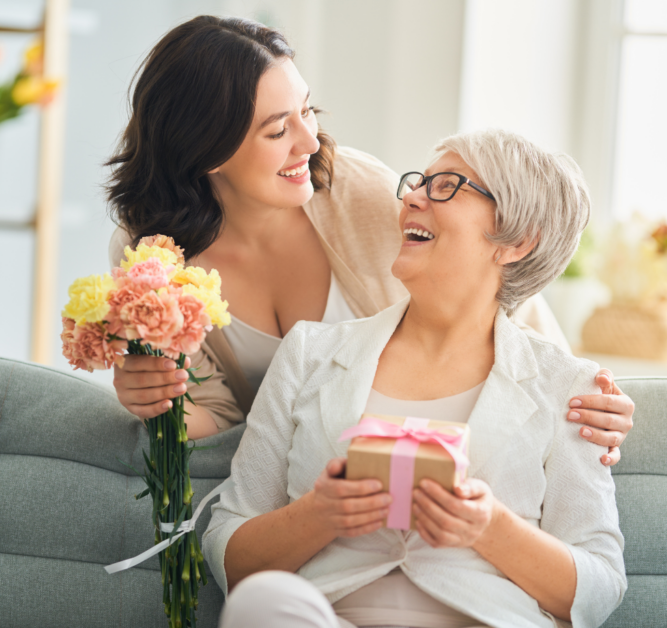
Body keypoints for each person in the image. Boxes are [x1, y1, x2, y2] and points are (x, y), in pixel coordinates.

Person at [105, 15, 634, 465]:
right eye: (276, 130)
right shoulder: (150, 259)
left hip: (432, 455)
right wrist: (156, 399)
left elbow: (495, 285)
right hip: (308, 479)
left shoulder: (357, 191)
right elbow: (221, 419)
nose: (309, 141)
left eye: (306, 111)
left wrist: (579, 399)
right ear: (207, 152)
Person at [203, 129, 626, 628]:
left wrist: (490, 528)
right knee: (263, 604)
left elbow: (600, 588)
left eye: (447, 186)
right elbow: (227, 549)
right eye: (417, 183)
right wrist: (319, 514)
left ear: (517, 241)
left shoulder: (569, 386)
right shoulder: (309, 353)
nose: (412, 197)